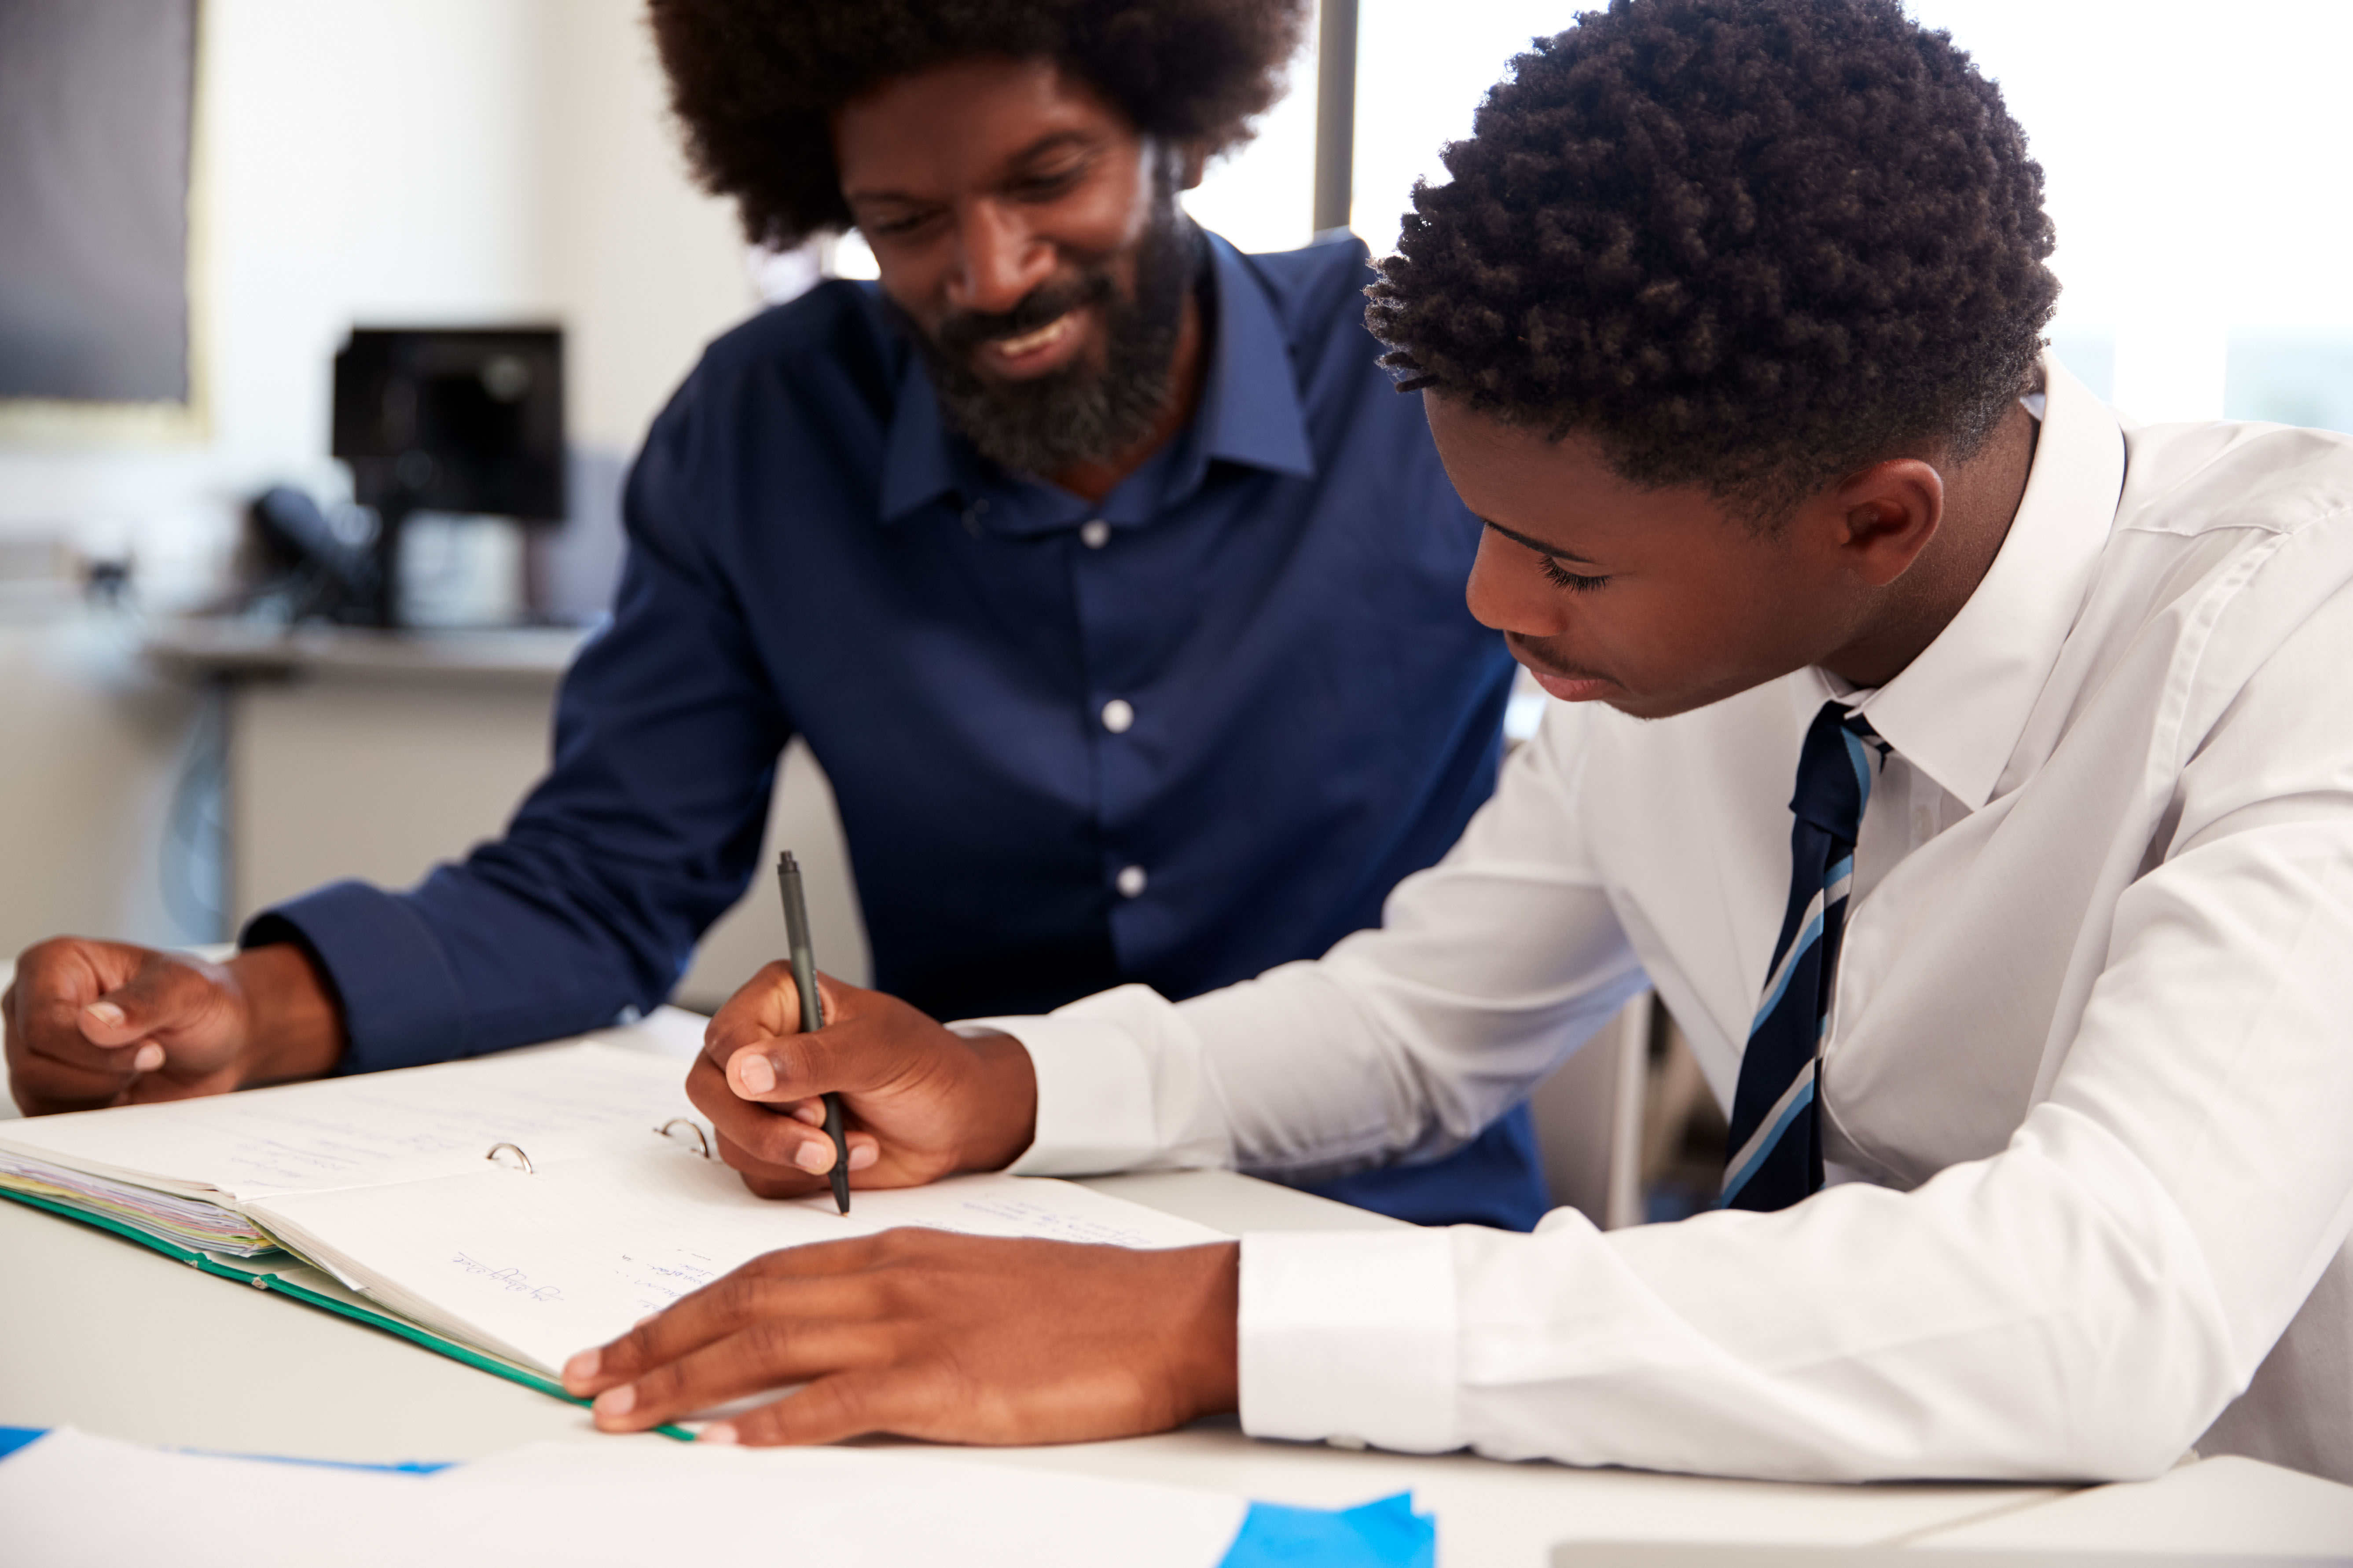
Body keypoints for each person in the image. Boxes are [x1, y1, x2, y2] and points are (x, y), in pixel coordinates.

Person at [550, 0, 2353, 1484]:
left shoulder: (2297, 638)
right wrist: (1009, 1088)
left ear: (1868, 522)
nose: (1492, 606)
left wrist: (1200, 1321)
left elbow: (2105, 1306)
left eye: (1565, 561)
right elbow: (1417, 1023)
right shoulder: (1671, 658)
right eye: (1481, 526)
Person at [0, 1, 1547, 1228]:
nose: (991, 273)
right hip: (947, 1215)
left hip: (1386, 1231)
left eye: (1047, 177)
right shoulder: (764, 429)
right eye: (905, 219)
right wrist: (244, 1009)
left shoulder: (1426, 391)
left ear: (1180, 130)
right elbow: (601, 880)